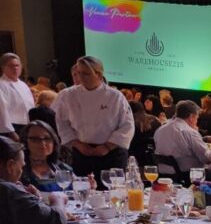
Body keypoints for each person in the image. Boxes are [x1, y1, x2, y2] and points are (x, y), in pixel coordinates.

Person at [53, 55, 134, 183]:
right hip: (82, 152)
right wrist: (78, 144)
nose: (81, 77)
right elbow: (62, 123)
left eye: (86, 74)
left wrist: (107, 147)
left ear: (99, 75)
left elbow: (127, 125)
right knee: (83, 189)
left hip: (111, 153)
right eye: (79, 73)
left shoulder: (115, 96)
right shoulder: (69, 95)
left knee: (112, 190)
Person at [0, 135, 66, 224]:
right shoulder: (8, 191)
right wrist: (58, 199)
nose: (21, 172)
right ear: (10, 165)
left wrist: (34, 200)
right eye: (21, 167)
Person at [153, 100, 211, 174]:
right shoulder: (188, 131)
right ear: (191, 117)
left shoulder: (160, 130)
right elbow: (207, 158)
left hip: (162, 174)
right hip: (189, 175)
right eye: (197, 118)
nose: (196, 122)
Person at [21, 120, 75, 193]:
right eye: (35, 139)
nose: (42, 143)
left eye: (47, 138)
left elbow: (78, 193)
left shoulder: (63, 168)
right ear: (25, 142)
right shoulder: (19, 170)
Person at [0, 53, 35, 137]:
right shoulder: (1, 84)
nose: (15, 68)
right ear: (3, 68)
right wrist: (11, 132)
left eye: (17, 65)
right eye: (11, 66)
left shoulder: (23, 85)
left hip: (28, 124)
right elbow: (2, 111)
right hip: (11, 127)